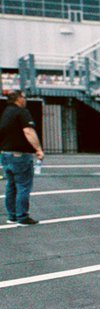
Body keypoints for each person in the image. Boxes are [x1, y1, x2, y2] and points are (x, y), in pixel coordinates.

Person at [0, 89, 44, 225]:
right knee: (23, 186)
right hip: (20, 154)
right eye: (23, 97)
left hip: (5, 153)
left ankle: (12, 215)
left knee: (11, 186)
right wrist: (38, 149)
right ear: (18, 98)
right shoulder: (22, 112)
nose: (25, 100)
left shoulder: (6, 112)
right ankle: (22, 216)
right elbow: (28, 131)